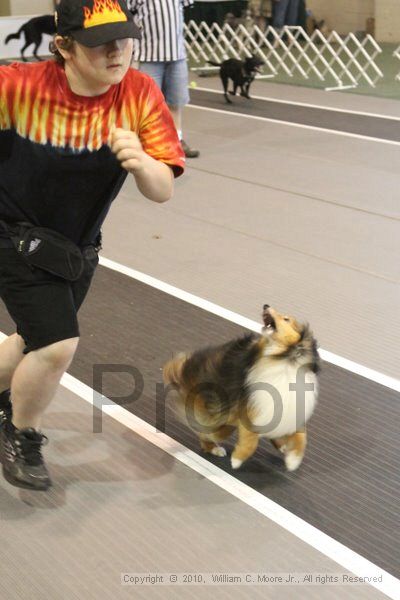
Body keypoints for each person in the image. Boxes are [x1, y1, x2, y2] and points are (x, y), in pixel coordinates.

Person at [0, 0, 185, 491]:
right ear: (63, 46)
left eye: (124, 38)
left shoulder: (141, 93)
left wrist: (142, 161)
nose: (117, 50)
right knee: (58, 344)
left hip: (76, 244)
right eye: (99, 42)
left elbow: (162, 188)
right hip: (9, 231)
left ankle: (13, 397)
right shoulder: (17, 86)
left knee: (30, 344)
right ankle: (22, 434)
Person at [128, 0, 200, 159]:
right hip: (148, 56)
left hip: (177, 55)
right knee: (147, 107)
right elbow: (128, 14)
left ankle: (177, 140)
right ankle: (147, 144)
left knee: (176, 103)